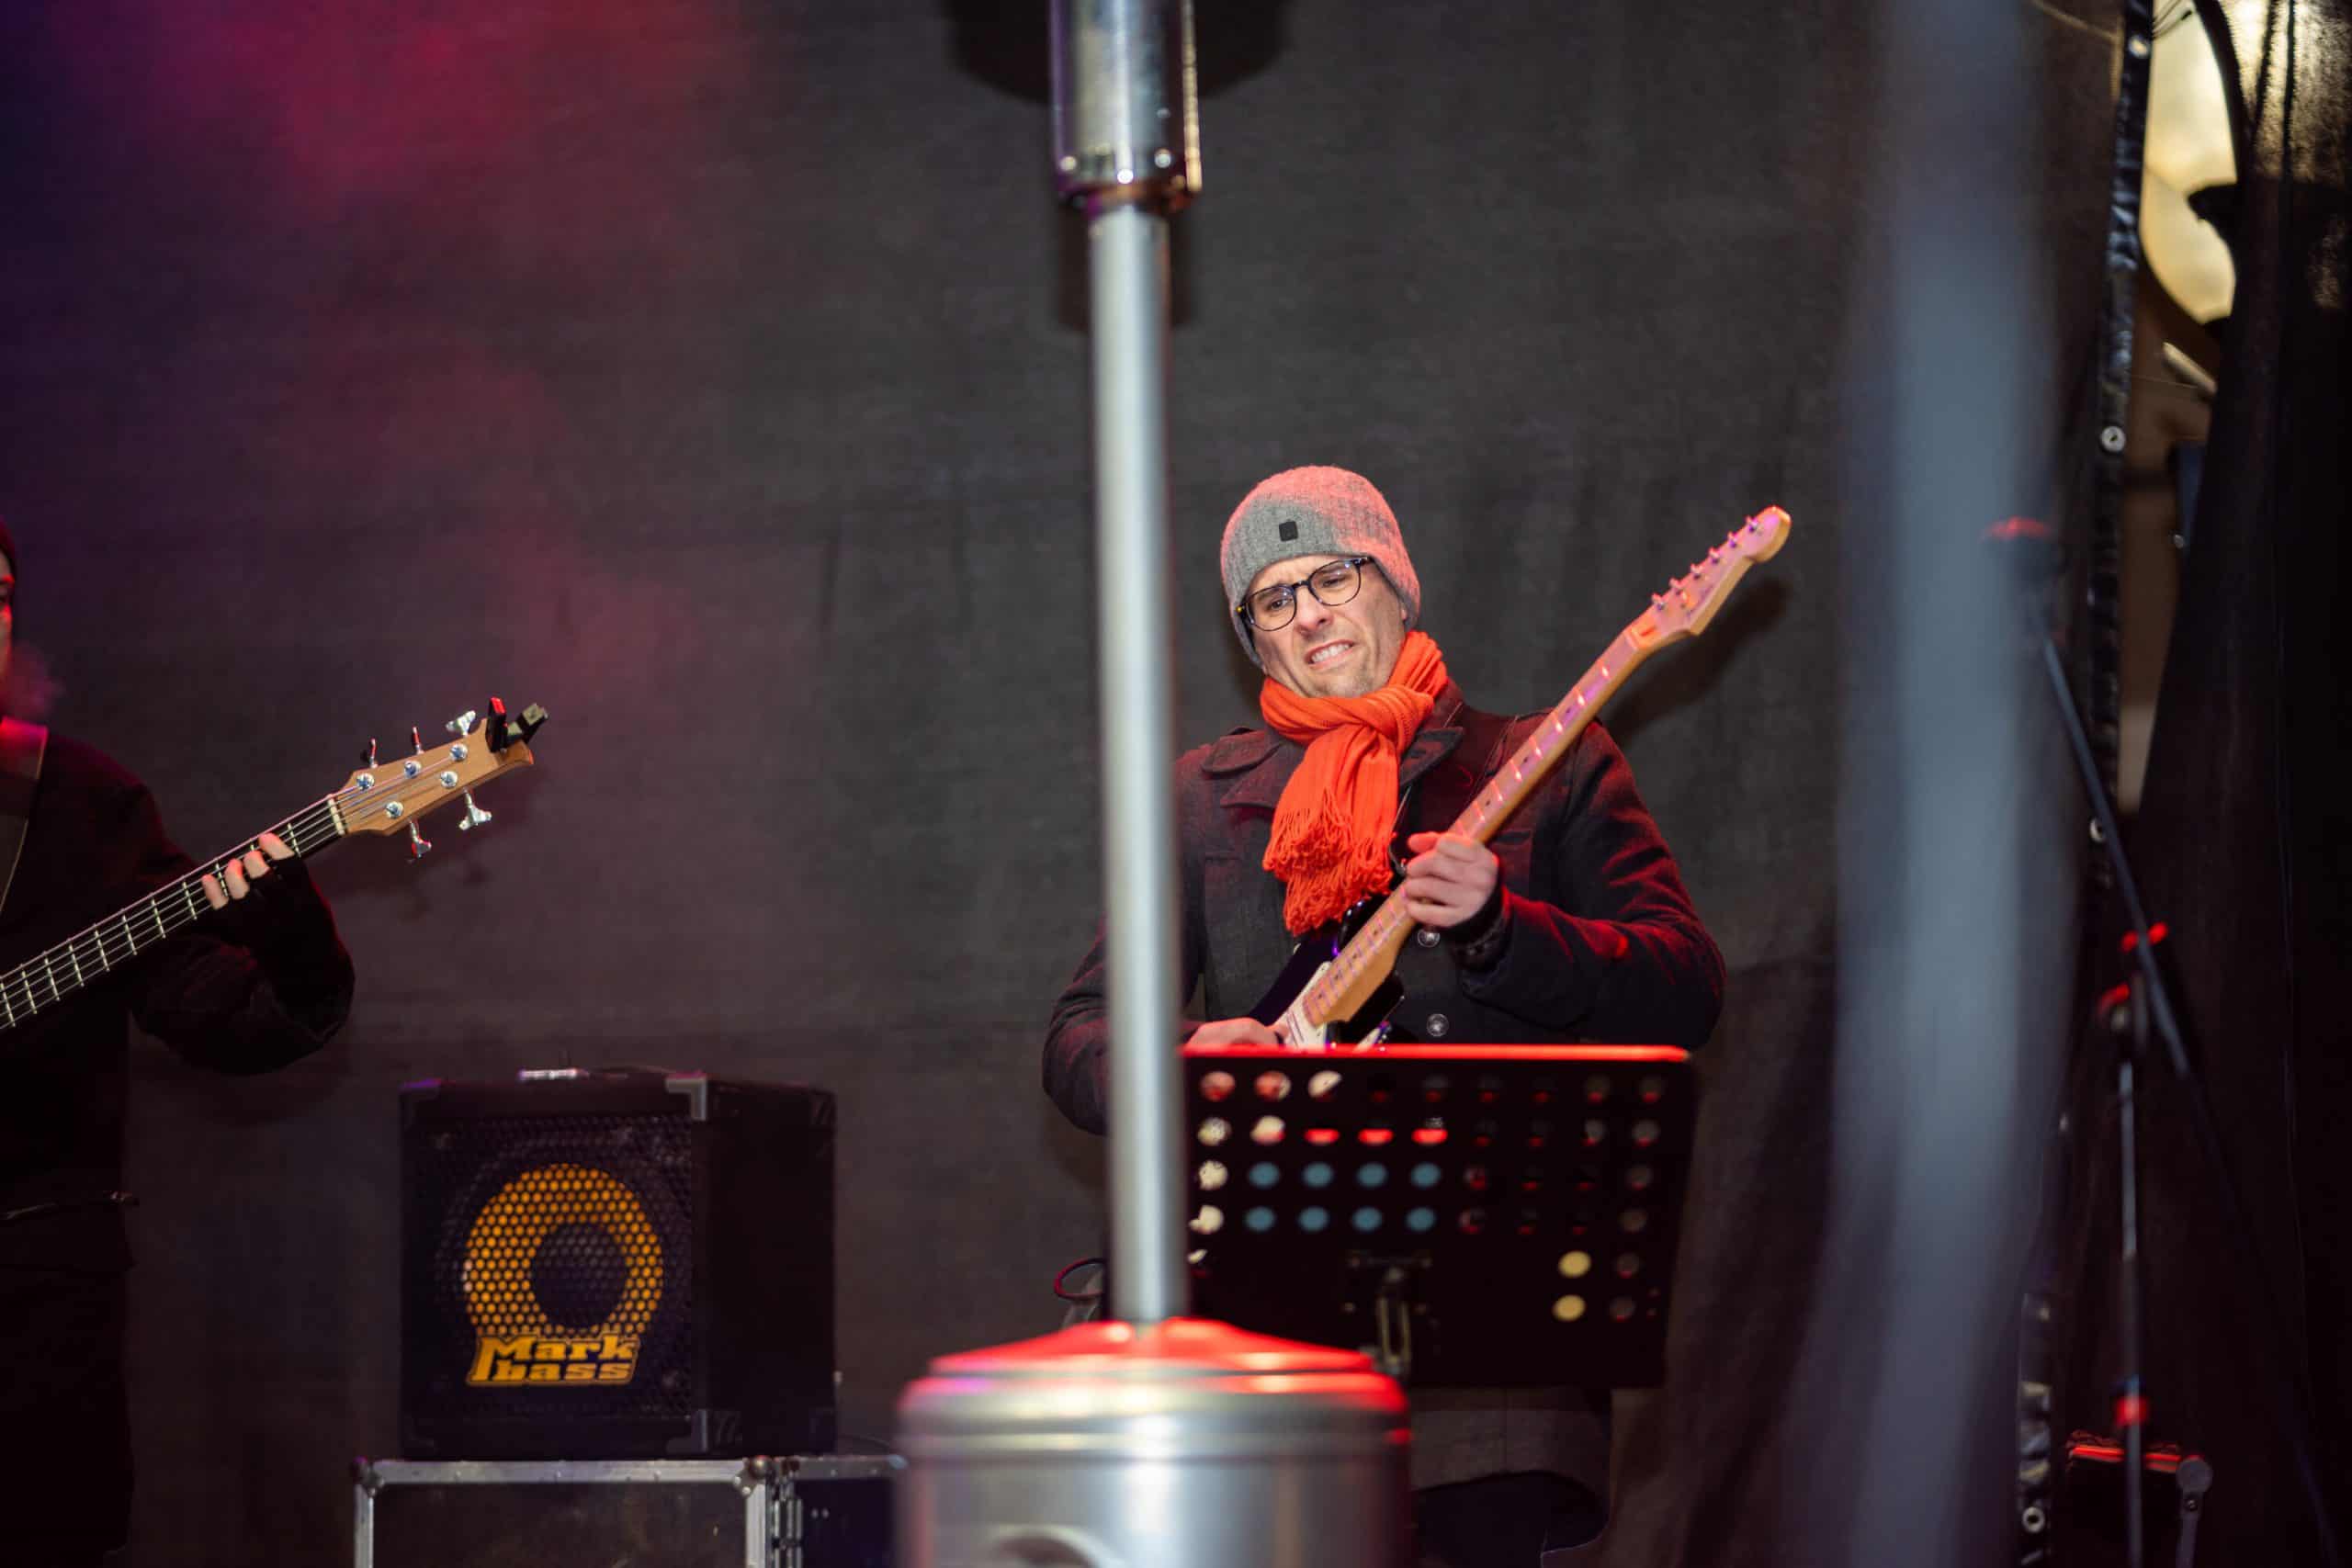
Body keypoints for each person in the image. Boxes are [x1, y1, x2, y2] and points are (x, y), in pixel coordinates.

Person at [1043, 466, 1724, 1563]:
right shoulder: (1201, 797)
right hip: (1258, 1350)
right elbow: (1082, 1031)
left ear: (1395, 587)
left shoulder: (1547, 766)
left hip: (1485, 1348)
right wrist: (1184, 1062)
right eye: (1272, 599)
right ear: (1251, 638)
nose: (1308, 612)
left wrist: (1503, 928)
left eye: (1332, 577)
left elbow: (1683, 986)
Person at [0, 523, 357, 1567]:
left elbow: (217, 1013)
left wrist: (291, 933)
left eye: (0, 593)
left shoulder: (76, 802)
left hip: (31, 1314)